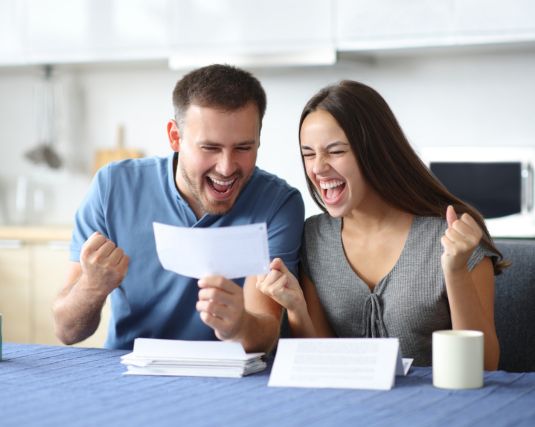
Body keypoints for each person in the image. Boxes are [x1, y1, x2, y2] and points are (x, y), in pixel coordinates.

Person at [53, 64, 304, 352]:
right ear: (175, 137)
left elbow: (266, 330)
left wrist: (239, 325)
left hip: (232, 381)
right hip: (129, 372)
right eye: (210, 148)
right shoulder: (113, 187)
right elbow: (66, 331)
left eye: (244, 148)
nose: (226, 167)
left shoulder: (277, 204)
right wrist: (92, 287)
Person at [256, 80, 506, 370]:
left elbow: (484, 367)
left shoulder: (451, 234)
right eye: (308, 153)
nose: (318, 167)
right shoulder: (315, 237)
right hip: (351, 409)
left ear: (375, 151)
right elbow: (321, 364)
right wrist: (296, 307)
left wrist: (456, 271)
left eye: (335, 151)